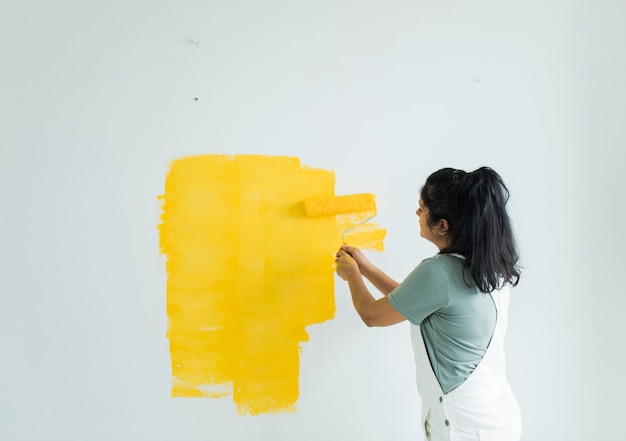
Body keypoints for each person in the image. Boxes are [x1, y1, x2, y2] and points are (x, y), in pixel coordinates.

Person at [335, 167, 522, 441]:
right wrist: (367, 269)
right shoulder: (488, 264)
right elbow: (417, 302)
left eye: (422, 209)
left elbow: (373, 315)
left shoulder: (438, 273)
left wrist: (351, 276)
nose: (417, 214)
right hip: (498, 418)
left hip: (465, 428)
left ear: (443, 225)